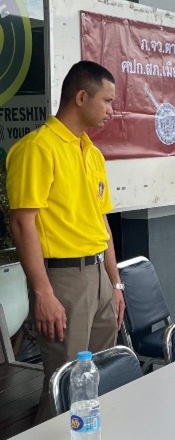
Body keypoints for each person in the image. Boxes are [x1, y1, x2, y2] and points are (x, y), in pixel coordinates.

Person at [6, 60, 125, 423]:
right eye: (107, 100)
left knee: (98, 378)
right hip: (63, 281)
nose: (111, 109)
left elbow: (101, 222)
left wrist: (115, 283)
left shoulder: (91, 152)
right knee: (65, 386)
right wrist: (43, 293)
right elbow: (22, 223)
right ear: (81, 97)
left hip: (99, 276)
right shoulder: (38, 148)